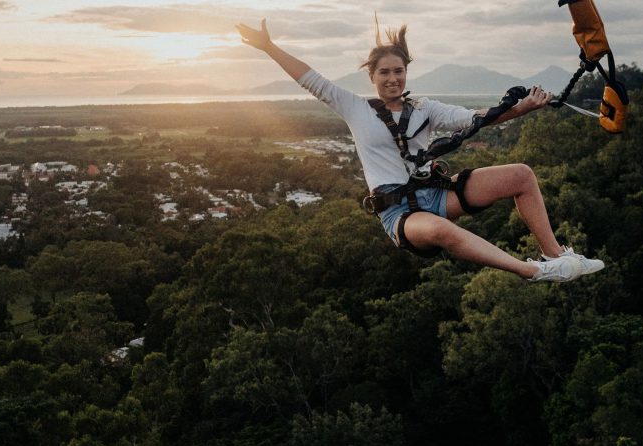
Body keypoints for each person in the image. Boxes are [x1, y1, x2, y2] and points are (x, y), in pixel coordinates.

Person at [236, 18, 604, 283]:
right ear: (372, 77)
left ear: (406, 73)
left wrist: (523, 108)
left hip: (435, 193)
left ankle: (556, 257)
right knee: (442, 231)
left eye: (398, 71)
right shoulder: (354, 107)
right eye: (384, 73)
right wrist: (269, 47)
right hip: (399, 214)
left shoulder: (424, 109)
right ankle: (536, 272)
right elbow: (309, 78)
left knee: (521, 175)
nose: (393, 78)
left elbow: (474, 119)